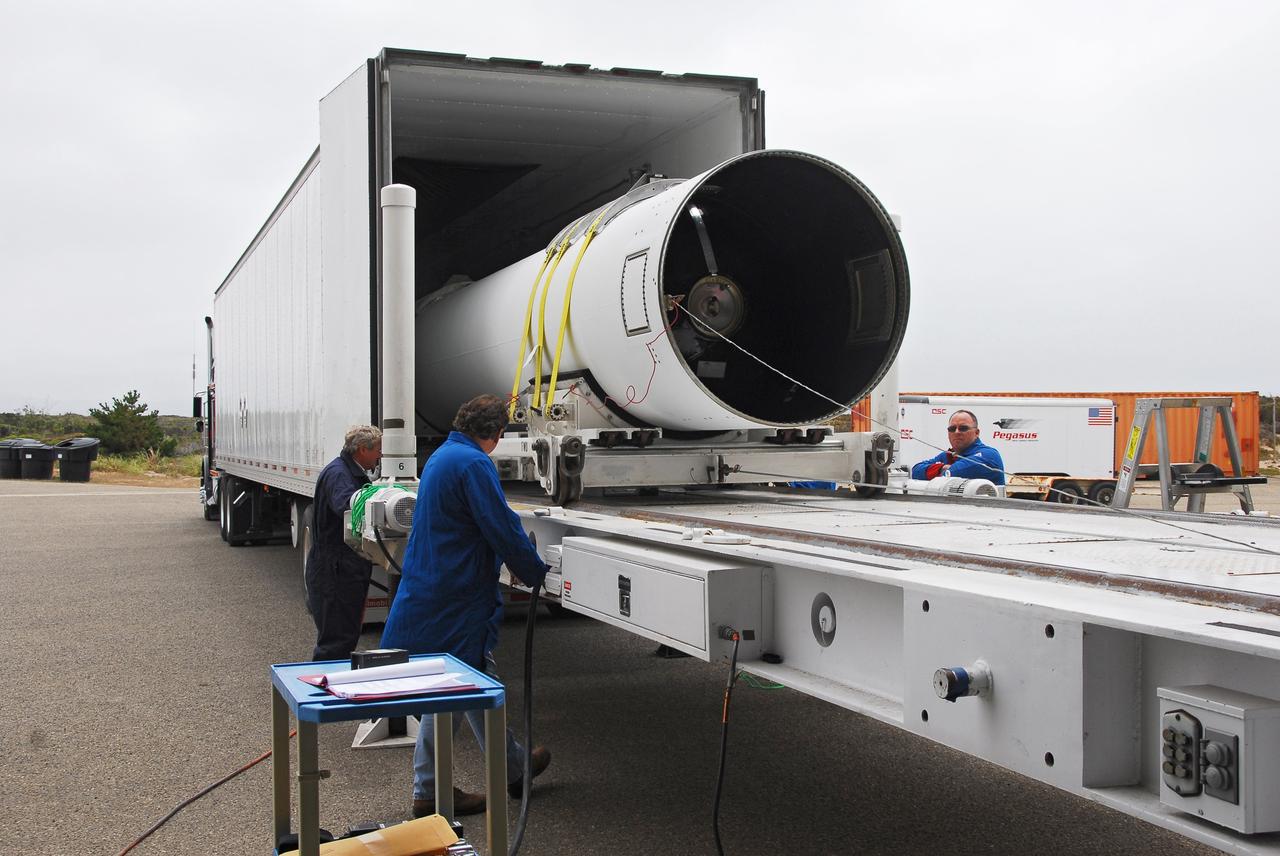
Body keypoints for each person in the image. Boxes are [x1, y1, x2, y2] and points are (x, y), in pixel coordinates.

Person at [381, 394, 551, 818]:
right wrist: (535, 571)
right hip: (455, 595)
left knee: (461, 685)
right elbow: (500, 525)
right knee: (463, 683)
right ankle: (463, 782)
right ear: (495, 434)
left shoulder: (443, 456)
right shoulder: (474, 463)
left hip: (435, 587)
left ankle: (455, 783)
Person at [305, 425, 382, 661]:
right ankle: (326, 691)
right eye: (377, 450)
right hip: (336, 570)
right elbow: (348, 508)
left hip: (340, 567)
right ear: (361, 450)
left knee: (344, 636)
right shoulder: (340, 475)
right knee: (336, 640)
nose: (380, 455)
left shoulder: (346, 471)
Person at [910, 409, 1006, 485]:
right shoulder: (947, 456)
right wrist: (942, 468)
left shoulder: (989, 455)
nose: (956, 432)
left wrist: (939, 470)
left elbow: (952, 474)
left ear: (976, 433)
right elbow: (915, 471)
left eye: (963, 428)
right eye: (952, 429)